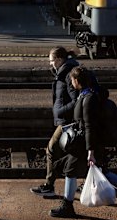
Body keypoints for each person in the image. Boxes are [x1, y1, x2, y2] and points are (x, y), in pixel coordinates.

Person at [49, 66, 117, 218]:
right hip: (90, 143)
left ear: (76, 81)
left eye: (72, 80)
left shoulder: (89, 98)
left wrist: (90, 152)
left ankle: (67, 206)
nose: (71, 83)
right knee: (103, 172)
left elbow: (89, 126)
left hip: (86, 145)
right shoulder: (86, 94)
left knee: (70, 171)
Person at [30, 46, 80, 197]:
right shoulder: (63, 72)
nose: (50, 64)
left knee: (51, 149)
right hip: (67, 120)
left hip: (68, 121)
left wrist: (61, 111)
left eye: (51, 61)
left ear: (59, 60)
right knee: (74, 154)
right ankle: (87, 183)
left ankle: (49, 186)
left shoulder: (68, 74)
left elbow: (77, 99)